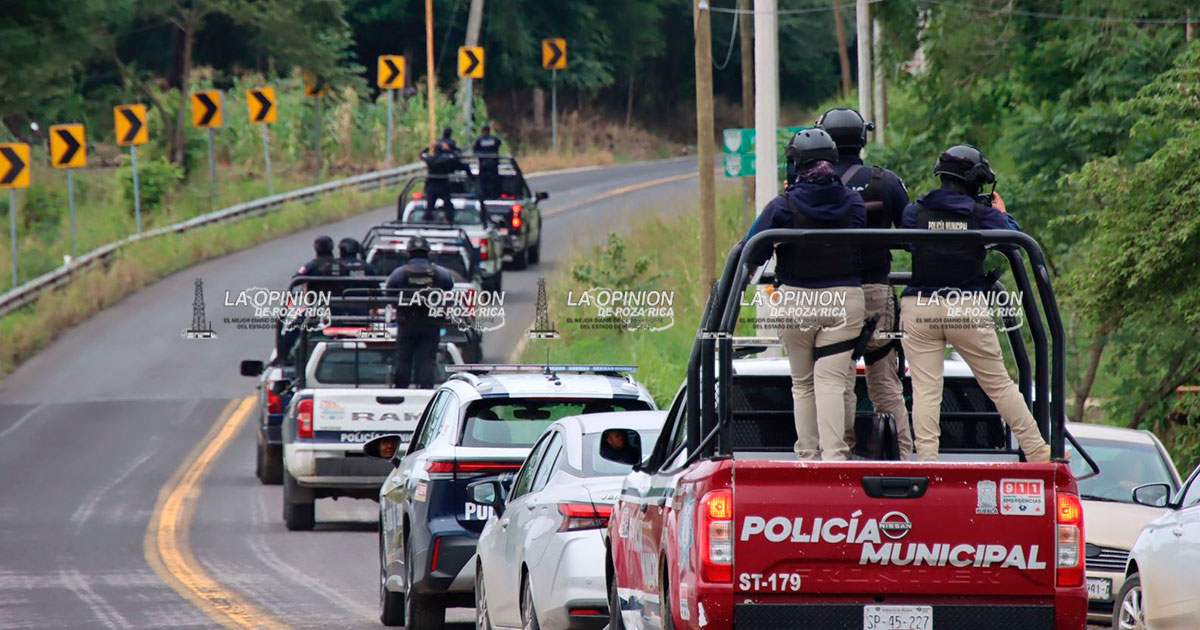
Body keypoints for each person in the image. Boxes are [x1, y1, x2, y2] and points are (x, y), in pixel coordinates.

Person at [899, 144, 1051, 463]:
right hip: (964, 305)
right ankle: (1038, 450)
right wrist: (1001, 211)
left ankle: (927, 459)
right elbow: (1013, 236)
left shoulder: (915, 211)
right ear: (973, 181)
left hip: (920, 305)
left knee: (926, 389)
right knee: (998, 384)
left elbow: (908, 240)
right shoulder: (982, 214)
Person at [741, 128, 866, 461]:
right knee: (832, 381)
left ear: (795, 165)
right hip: (844, 301)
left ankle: (808, 457)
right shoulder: (853, 201)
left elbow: (751, 249)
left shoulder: (783, 205)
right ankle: (836, 456)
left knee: (803, 383)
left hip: (798, 300)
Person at [817, 106, 914, 460]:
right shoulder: (885, 181)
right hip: (876, 293)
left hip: (830, 296)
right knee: (886, 383)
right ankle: (905, 458)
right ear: (862, 139)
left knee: (837, 379)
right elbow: (910, 234)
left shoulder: (811, 183)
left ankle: (838, 458)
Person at [385, 236, 455, 389]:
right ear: (428, 253)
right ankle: (426, 392)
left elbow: (389, 291)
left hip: (407, 322)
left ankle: (401, 391)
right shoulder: (438, 272)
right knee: (427, 359)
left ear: (409, 253)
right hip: (431, 322)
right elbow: (449, 284)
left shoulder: (400, 273)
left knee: (404, 358)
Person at [420, 139, 469, 225]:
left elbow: (422, 155)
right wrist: (448, 149)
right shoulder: (446, 159)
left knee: (429, 206)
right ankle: (450, 221)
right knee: (448, 205)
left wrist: (428, 147)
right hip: (443, 186)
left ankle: (426, 222)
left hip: (431, 187)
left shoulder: (430, 159)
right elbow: (456, 157)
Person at [473, 123, 503, 199]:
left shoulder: (479, 139)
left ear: (482, 131)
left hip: (483, 164)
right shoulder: (494, 138)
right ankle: (495, 195)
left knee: (483, 181)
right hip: (493, 164)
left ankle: (484, 196)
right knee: (495, 180)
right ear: (489, 130)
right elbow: (499, 143)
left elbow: (475, 151)